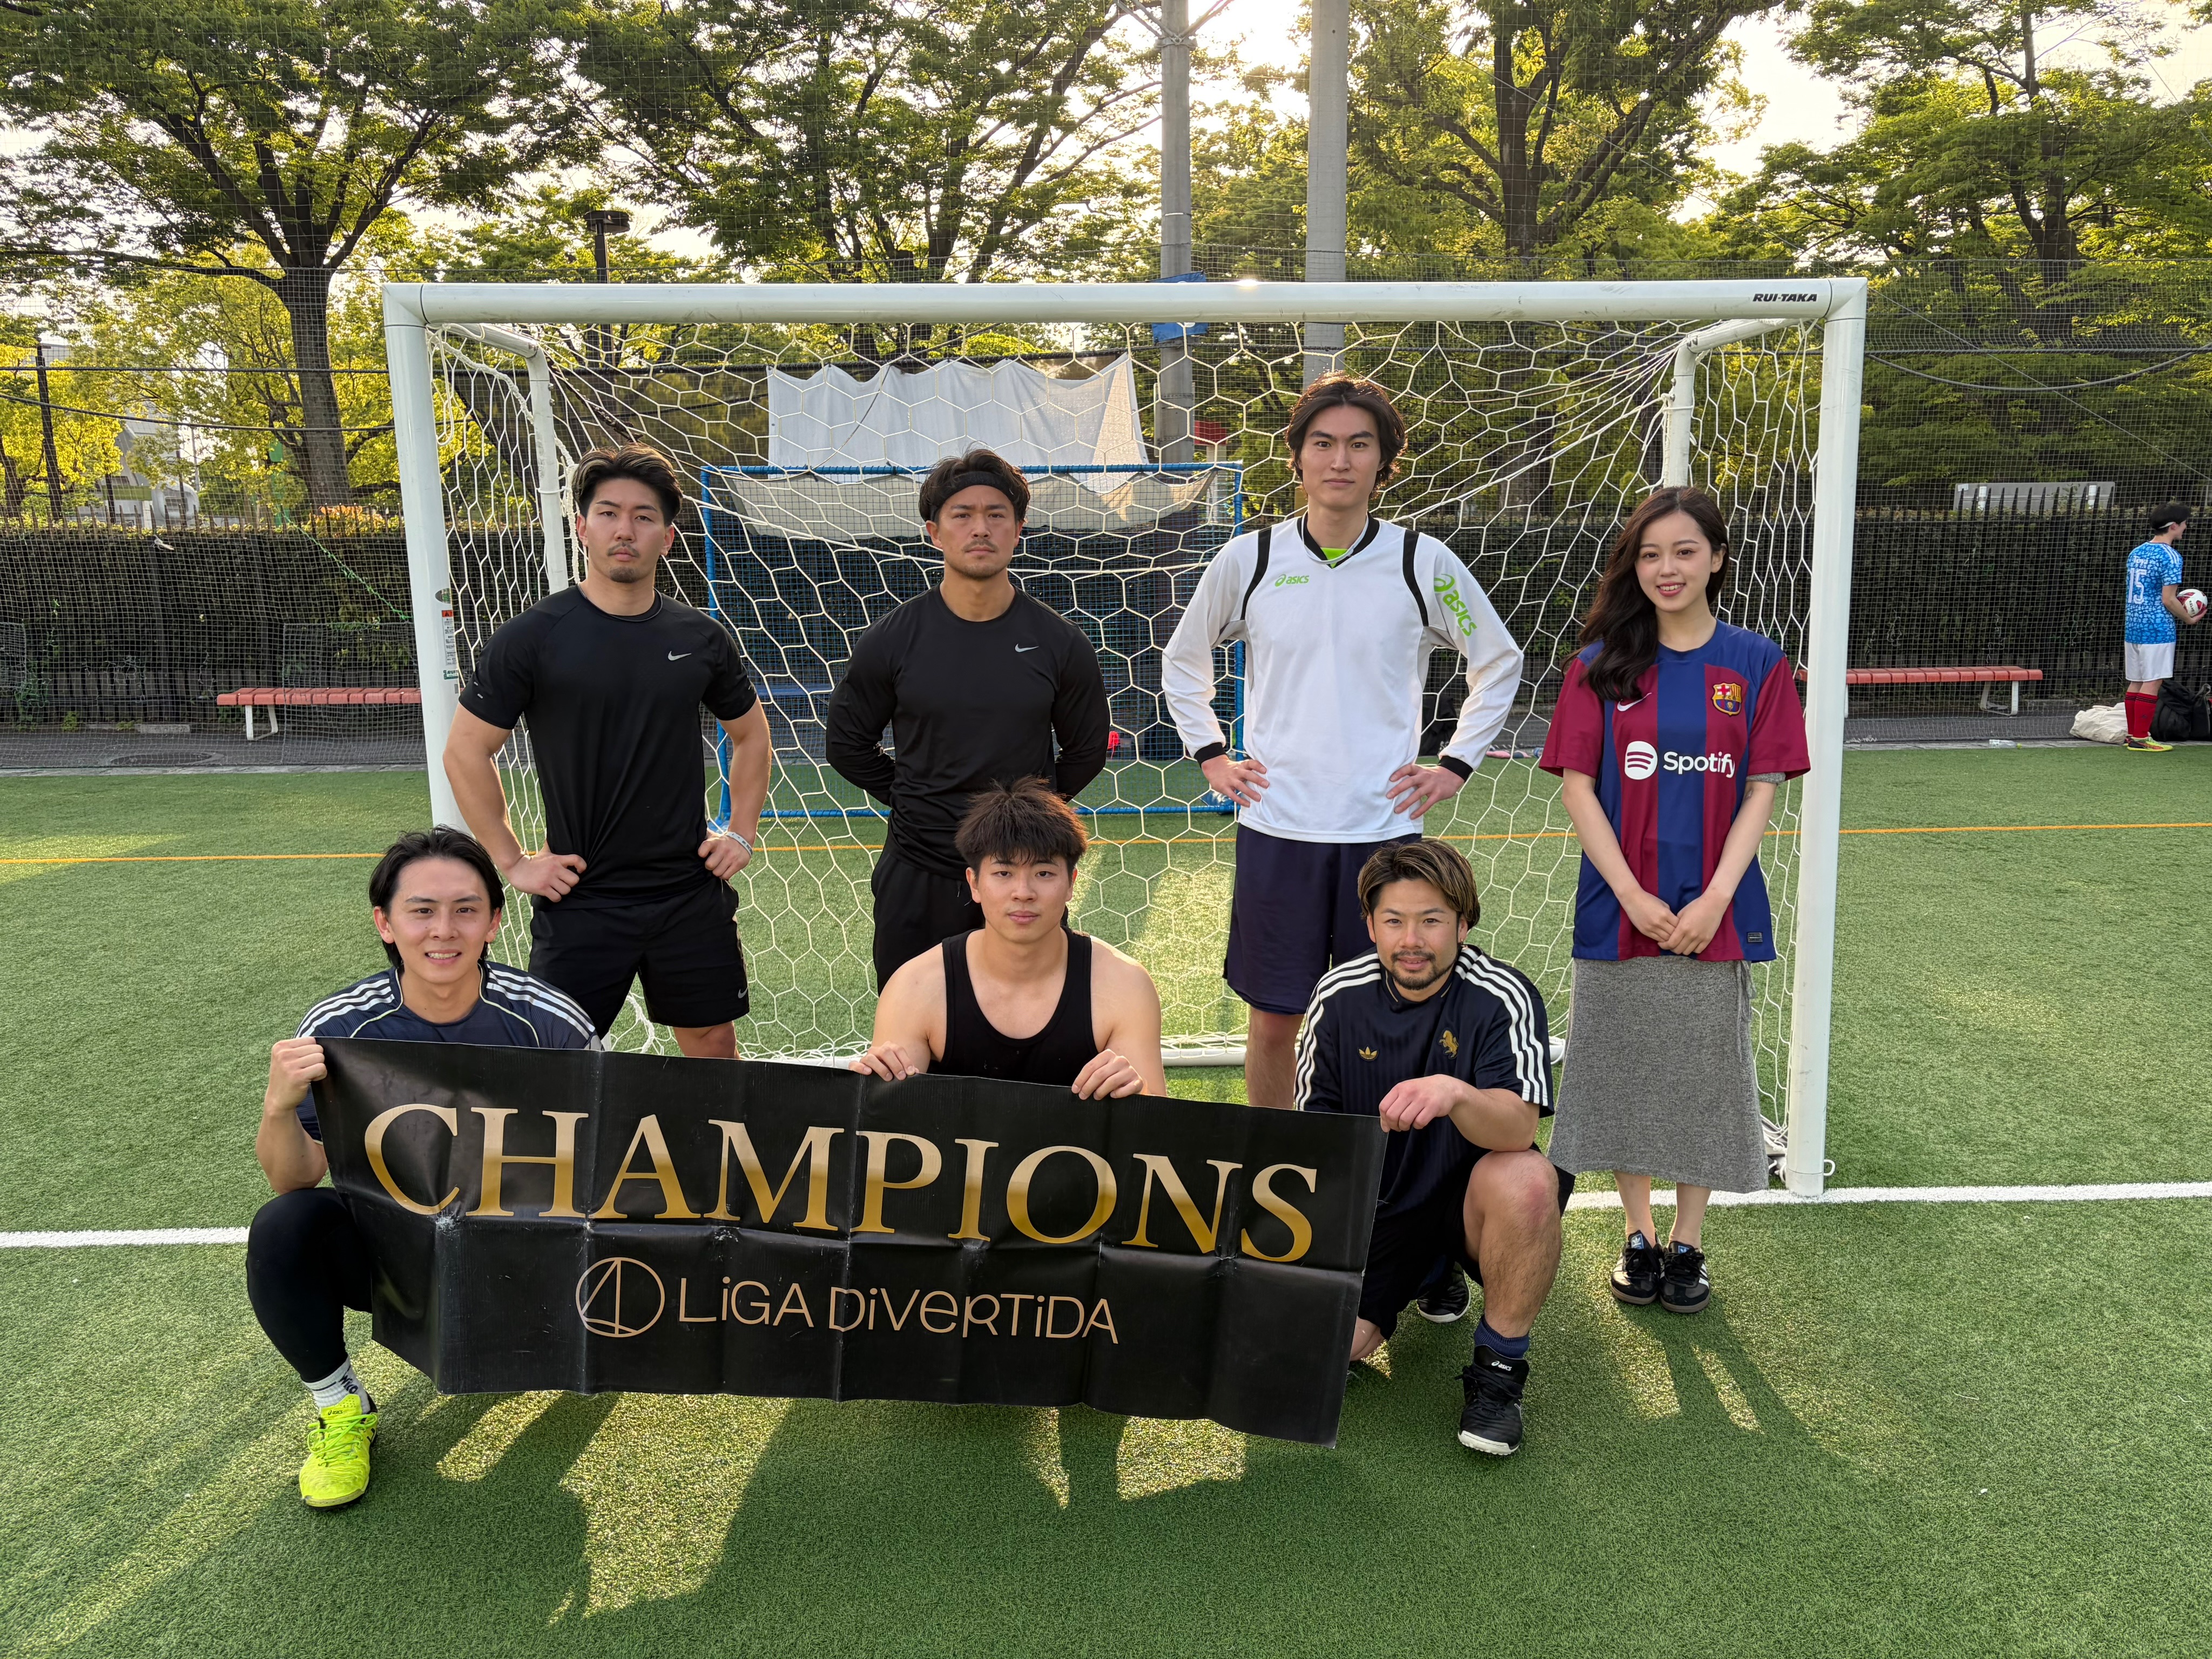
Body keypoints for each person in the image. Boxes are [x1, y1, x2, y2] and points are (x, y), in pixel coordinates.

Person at [1161, 373, 1525, 1111]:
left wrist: (1455, 764)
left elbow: (1498, 659)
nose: (1339, 460)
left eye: (1360, 444)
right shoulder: (1250, 560)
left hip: (1382, 832)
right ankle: (1276, 1161)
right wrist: (1211, 754)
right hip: (1279, 826)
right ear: (1296, 457)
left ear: (1383, 461)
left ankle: (1380, 1167)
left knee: (1387, 1016)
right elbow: (1183, 658)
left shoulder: (1423, 563)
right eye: (1323, 443)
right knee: (1275, 1021)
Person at [247, 828, 597, 1508]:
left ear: (494, 922)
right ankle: (341, 1407)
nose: (444, 930)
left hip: (524, 1252)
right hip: (399, 1258)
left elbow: (607, 1156)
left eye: (466, 910)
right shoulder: (340, 1027)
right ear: (386, 923)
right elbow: (295, 1178)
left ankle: (563, 1334)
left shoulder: (548, 1022)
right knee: (285, 1226)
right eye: (422, 911)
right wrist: (277, 1107)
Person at [1537, 485, 1810, 1316]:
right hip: (1620, 910)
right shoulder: (1599, 665)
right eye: (1651, 554)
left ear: (1717, 559)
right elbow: (1579, 789)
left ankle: (1689, 1242)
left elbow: (1762, 789)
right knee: (1624, 1069)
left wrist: (1716, 898)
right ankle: (1637, 1233)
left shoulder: (1756, 664)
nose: (1668, 568)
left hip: (1712, 914)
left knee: (1700, 1076)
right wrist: (1631, 894)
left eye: (1685, 551)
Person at [444, 442, 772, 1054]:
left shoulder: (700, 637)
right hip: (580, 897)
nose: (625, 530)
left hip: (687, 891)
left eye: (644, 517)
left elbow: (751, 735)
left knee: (710, 1042)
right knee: (556, 1057)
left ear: (667, 538)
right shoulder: (533, 637)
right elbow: (465, 751)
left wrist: (742, 833)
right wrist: (514, 862)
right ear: (582, 528)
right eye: (609, 513)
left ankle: (708, 1128)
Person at [1294, 838, 1567, 1456]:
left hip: (1468, 1200)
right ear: (1370, 925)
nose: (1411, 940)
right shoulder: (1337, 997)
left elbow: (1517, 1130)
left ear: (1463, 924)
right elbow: (1314, 1140)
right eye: (1393, 921)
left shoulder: (1503, 995)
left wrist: (1455, 1094)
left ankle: (1499, 1372)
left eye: (1431, 921)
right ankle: (1429, 1272)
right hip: (1382, 1203)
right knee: (1330, 1349)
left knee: (1527, 1179)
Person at [825, 449, 1111, 990]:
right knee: (912, 1027)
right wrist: (916, 799)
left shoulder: (1060, 642)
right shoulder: (892, 639)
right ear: (934, 532)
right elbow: (846, 745)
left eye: (996, 514)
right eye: (963, 515)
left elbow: (1086, 751)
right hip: (918, 869)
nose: (980, 528)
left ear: (1019, 530)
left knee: (1030, 1023)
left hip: (1020, 876)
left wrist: (1023, 816)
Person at [851, 777, 1165, 1098]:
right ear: (974, 883)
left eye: (1044, 873)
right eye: (1004, 873)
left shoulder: (1124, 985)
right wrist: (872, 1092)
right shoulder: (915, 987)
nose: (1023, 893)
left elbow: (1154, 1123)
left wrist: (1138, 1096)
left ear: (1071, 883)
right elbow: (889, 1119)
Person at [2122, 503, 2200, 753]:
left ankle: (2133, 735)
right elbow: (2169, 599)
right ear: (2174, 526)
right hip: (2157, 627)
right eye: (2185, 523)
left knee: (2136, 681)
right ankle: (2141, 738)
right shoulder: (2171, 556)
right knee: (2153, 681)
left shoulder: (2137, 552)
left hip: (2133, 625)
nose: (2186, 527)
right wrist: (2189, 618)